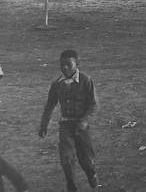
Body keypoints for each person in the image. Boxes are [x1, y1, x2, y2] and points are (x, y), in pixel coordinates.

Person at [39, 49, 101, 191]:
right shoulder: (57, 84)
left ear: (77, 64)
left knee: (86, 160)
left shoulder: (86, 81)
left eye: (69, 64)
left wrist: (85, 120)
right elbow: (50, 105)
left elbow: (94, 104)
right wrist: (44, 125)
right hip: (66, 125)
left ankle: (91, 174)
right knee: (66, 159)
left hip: (82, 127)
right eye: (62, 65)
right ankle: (71, 186)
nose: (65, 68)